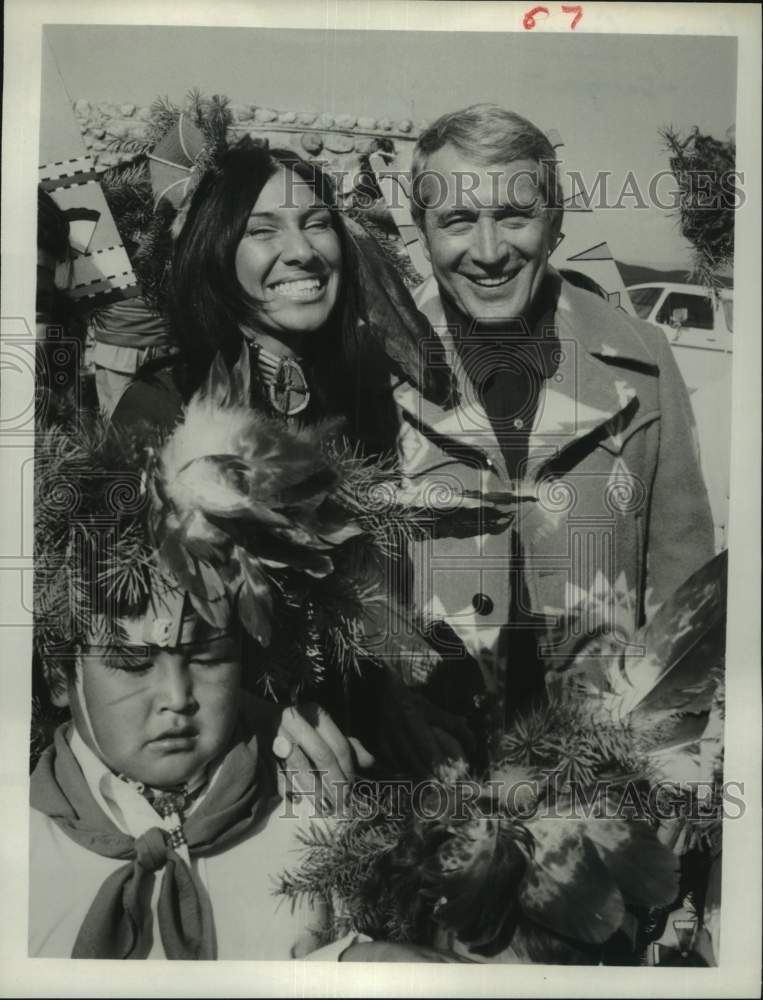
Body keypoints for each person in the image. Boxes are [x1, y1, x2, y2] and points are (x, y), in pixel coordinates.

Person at [111, 120, 488, 780]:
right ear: (215, 251)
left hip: (345, 732)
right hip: (210, 743)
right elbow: (123, 622)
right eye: (262, 231)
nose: (303, 251)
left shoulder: (360, 398)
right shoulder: (163, 405)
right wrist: (258, 714)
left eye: (316, 223)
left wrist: (395, 698)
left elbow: (365, 588)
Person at [29, 397, 459, 962]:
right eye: (133, 663)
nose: (178, 699)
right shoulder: (23, 844)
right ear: (61, 675)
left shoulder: (306, 813)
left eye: (207, 658)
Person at [404, 103, 715, 718]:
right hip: (428, 757)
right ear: (423, 231)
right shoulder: (375, 364)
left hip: (599, 757)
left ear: (555, 222)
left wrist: (667, 749)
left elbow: (687, 589)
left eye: (515, 216)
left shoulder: (642, 358)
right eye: (458, 220)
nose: (489, 251)